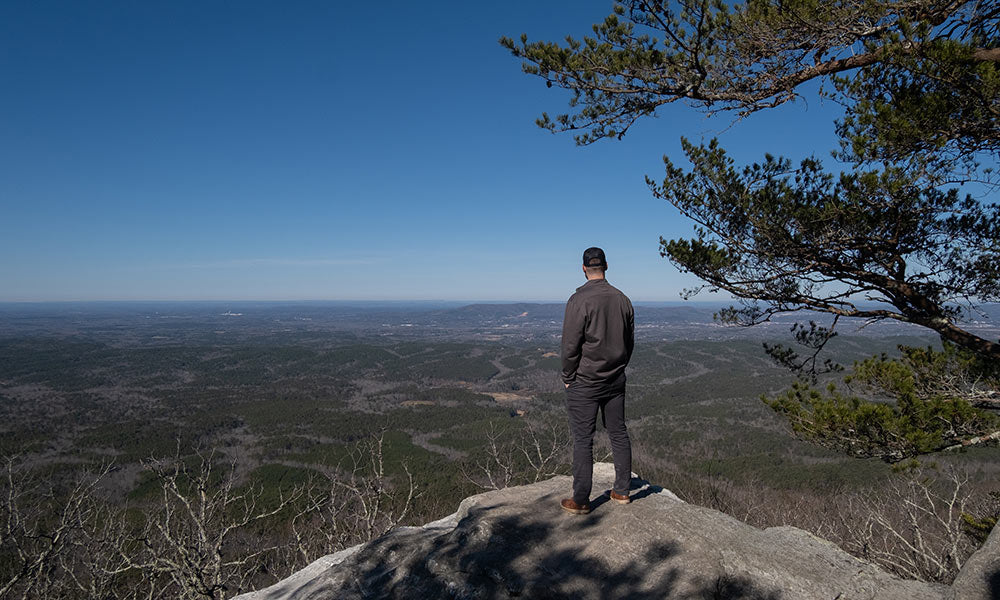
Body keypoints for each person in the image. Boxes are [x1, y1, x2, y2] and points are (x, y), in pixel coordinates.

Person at [559, 247, 635, 515]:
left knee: (583, 439)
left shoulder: (579, 301)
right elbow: (629, 342)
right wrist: (619, 367)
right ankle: (622, 490)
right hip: (615, 379)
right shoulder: (622, 299)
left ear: (583, 268)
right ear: (606, 267)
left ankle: (580, 499)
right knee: (618, 431)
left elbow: (570, 345)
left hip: (586, 381)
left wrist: (569, 377)